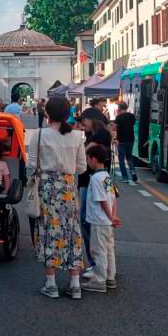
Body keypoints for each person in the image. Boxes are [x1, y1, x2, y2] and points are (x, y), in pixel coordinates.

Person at [33, 97, 88, 299]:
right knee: (71, 231)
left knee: (49, 230)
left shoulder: (40, 135)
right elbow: (82, 167)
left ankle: (51, 284)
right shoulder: (77, 137)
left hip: (47, 187)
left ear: (47, 113)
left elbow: (32, 164)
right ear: (68, 114)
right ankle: (75, 284)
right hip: (67, 188)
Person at [82, 145, 120, 293]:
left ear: (93, 159)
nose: (87, 162)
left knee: (98, 251)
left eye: (87, 159)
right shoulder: (106, 176)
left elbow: (102, 200)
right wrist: (113, 216)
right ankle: (110, 277)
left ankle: (99, 281)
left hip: (99, 221)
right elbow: (113, 198)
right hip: (107, 222)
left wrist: (110, 216)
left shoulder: (96, 178)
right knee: (109, 249)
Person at [79, 115, 110, 274]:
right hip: (90, 182)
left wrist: (111, 215)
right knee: (105, 240)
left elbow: (81, 153)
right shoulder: (94, 135)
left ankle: (97, 269)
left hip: (89, 182)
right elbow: (111, 196)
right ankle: (107, 272)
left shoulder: (100, 135)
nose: (82, 123)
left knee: (87, 221)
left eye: (85, 119)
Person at [113, 102, 138, 183]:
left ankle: (125, 177)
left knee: (121, 159)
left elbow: (115, 128)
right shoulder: (132, 116)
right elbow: (133, 124)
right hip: (131, 139)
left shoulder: (119, 117)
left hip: (121, 140)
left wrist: (114, 138)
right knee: (129, 157)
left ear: (120, 108)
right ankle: (133, 172)